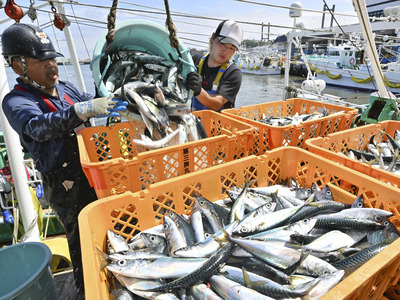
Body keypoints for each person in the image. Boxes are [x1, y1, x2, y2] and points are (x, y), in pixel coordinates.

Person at [1, 23, 126, 296]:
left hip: (93, 171)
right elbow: (36, 127)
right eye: (41, 60)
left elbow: (92, 103)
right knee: (82, 241)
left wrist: (107, 99)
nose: (51, 65)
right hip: (66, 184)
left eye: (53, 58)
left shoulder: (65, 87)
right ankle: (87, 291)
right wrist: (82, 110)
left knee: (110, 231)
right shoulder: (15, 100)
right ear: (18, 66)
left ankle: (115, 282)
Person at [186, 19, 243, 112]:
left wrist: (199, 91)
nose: (226, 51)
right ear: (213, 37)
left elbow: (216, 104)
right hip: (192, 121)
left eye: (232, 48)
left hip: (218, 124)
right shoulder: (194, 61)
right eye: (223, 44)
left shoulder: (233, 72)